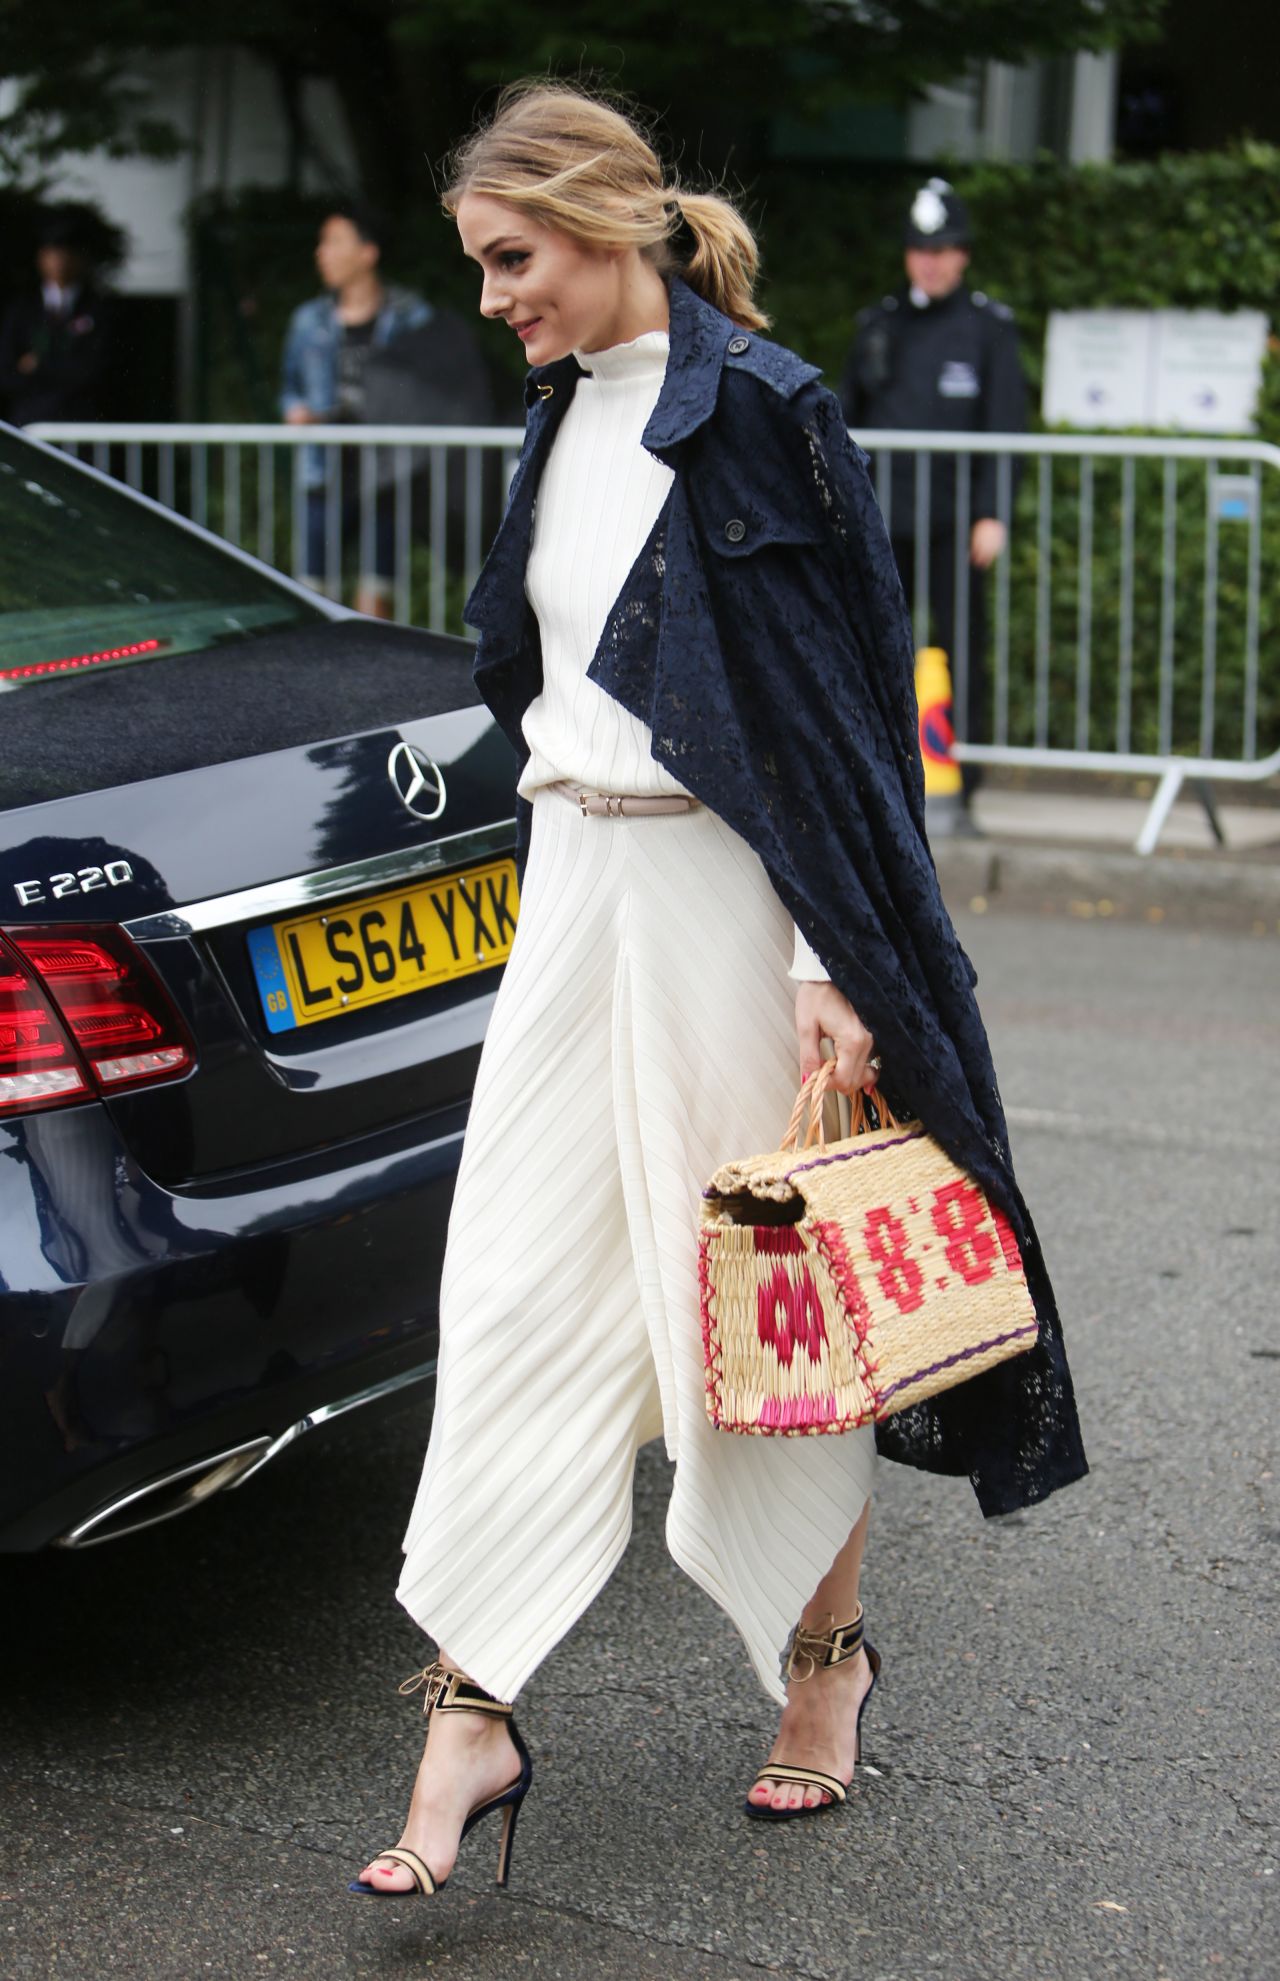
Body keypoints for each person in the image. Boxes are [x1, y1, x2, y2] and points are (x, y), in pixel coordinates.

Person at [350, 84, 1086, 1901]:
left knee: (762, 1311)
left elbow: (843, 717)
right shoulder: (551, 412)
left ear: (604, 221)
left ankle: (822, 1668)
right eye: (482, 269)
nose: (497, 298)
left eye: (514, 260)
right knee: (514, 1289)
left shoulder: (762, 409)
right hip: (578, 886)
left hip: (731, 901)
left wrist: (832, 962)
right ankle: (470, 1716)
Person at [840, 179, 1027, 816]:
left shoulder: (988, 329)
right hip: (885, 518)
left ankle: (962, 778)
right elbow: (845, 425)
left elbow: (1006, 427)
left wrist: (993, 512)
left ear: (964, 254)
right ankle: (883, 773)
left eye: (944, 248)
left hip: (954, 522)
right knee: (878, 646)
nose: (932, 260)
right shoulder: (879, 325)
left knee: (961, 644)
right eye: (921, 249)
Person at [280, 200, 493, 617]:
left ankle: (371, 673)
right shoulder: (309, 321)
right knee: (313, 586)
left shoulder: (411, 317)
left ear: (367, 252)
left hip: (387, 471)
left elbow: (440, 381)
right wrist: (297, 411)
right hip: (325, 467)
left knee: (379, 585)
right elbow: (291, 388)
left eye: (334, 241)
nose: (322, 252)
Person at [0, 211, 117, 427]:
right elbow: (7, 375)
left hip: (80, 428)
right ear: (41, 257)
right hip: (30, 425)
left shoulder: (99, 309)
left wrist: (38, 365)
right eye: (53, 252)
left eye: (67, 252)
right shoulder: (22, 310)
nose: (60, 261)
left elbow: (96, 372)